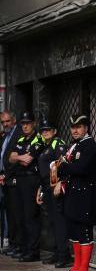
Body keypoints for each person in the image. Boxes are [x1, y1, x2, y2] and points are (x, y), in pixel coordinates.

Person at [55, 114, 96, 271]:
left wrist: (63, 166)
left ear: (86, 128)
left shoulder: (89, 145)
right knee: (74, 232)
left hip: (84, 194)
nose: (74, 130)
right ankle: (75, 267)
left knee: (83, 232)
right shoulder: (76, 145)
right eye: (72, 127)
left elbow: (80, 168)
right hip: (73, 194)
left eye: (79, 127)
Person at [8, 112, 45, 262]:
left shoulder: (39, 139)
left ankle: (33, 251)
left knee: (31, 216)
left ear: (34, 123)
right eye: (23, 123)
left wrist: (19, 157)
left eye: (28, 123)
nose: (25, 126)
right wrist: (18, 157)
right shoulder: (21, 139)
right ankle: (24, 248)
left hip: (32, 179)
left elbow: (27, 160)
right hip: (21, 180)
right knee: (21, 216)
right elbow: (11, 158)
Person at [36, 118, 70, 267]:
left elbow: (62, 164)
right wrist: (40, 189)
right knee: (52, 222)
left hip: (55, 187)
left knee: (59, 221)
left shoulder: (58, 144)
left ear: (55, 131)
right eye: (43, 130)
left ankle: (64, 255)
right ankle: (58, 253)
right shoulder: (45, 146)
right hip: (46, 186)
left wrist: (60, 183)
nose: (45, 132)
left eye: (48, 130)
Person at [0, 111, 21, 256]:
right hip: (4, 179)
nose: (5, 124)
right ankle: (13, 243)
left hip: (14, 178)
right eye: (2, 122)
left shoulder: (18, 133)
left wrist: (6, 174)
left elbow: (16, 159)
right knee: (10, 213)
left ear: (13, 120)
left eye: (7, 121)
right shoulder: (5, 136)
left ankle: (19, 245)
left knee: (17, 213)